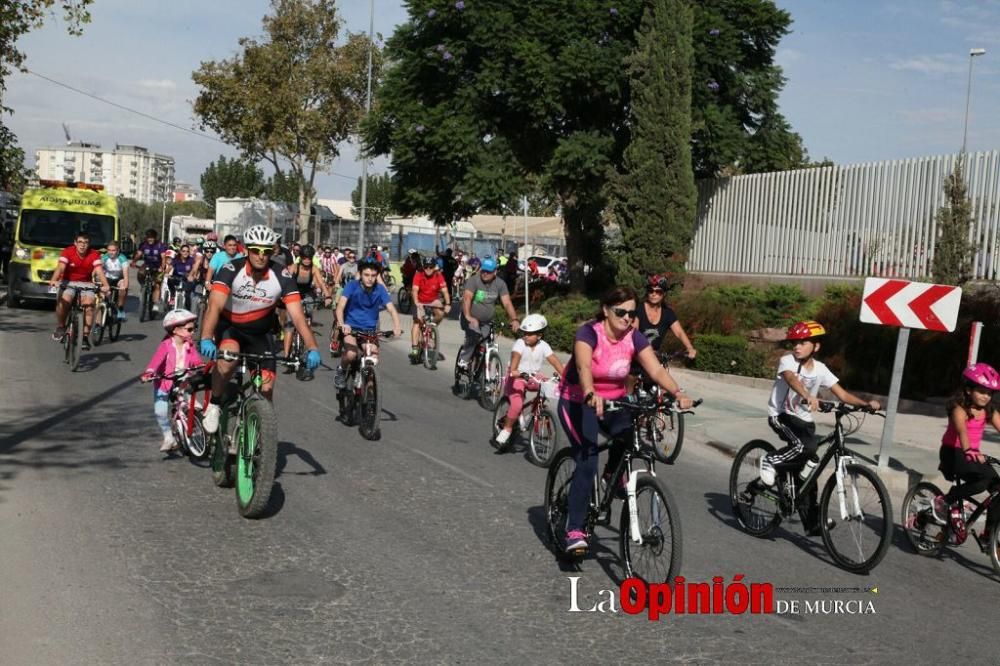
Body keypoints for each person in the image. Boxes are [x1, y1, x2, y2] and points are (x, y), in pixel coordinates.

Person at [558, 286, 696, 553]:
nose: (627, 318)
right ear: (606, 310)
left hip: (614, 400)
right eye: (621, 312)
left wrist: (677, 392)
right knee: (587, 461)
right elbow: (583, 367)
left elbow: (654, 368)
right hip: (578, 399)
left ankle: (612, 473)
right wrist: (589, 392)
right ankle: (574, 529)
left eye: (632, 314)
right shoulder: (589, 333)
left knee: (630, 435)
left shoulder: (634, 337)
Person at [758, 320, 880, 534]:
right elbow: (790, 379)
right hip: (782, 415)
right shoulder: (787, 361)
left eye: (803, 342)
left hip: (803, 421)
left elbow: (841, 394)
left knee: (810, 471)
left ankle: (812, 523)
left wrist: (865, 404)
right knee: (806, 448)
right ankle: (770, 460)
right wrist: (807, 395)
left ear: (816, 346)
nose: (797, 346)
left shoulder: (821, 370)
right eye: (795, 342)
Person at [198, 225, 322, 434]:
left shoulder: (281, 275)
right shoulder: (230, 270)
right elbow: (214, 306)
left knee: (266, 389)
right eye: (256, 250)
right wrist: (206, 337)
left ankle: (259, 439)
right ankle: (215, 404)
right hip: (231, 328)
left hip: (261, 334)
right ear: (246, 249)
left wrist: (312, 347)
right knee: (228, 361)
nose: (261, 256)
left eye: (267, 251)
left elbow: (298, 316)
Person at [932, 363, 1000, 545]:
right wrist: (969, 449)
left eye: (989, 393)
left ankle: (989, 536)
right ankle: (946, 500)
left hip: (972, 456)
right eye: (982, 391)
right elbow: (962, 430)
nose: (986, 397)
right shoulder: (959, 408)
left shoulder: (988, 411)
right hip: (953, 453)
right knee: (981, 482)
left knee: (998, 488)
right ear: (969, 390)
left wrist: (972, 453)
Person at [493, 314, 564, 447]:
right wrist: (516, 372)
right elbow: (515, 361)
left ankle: (536, 416)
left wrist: (565, 376)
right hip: (516, 377)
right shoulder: (519, 344)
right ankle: (507, 429)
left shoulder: (543, 346)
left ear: (539, 336)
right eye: (525, 333)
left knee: (546, 388)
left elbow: (554, 360)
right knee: (517, 404)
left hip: (533, 376)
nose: (526, 336)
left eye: (530, 334)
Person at [332, 260, 403, 389]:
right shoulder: (352, 286)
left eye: (373, 275)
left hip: (369, 331)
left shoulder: (380, 289)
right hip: (351, 328)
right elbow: (340, 307)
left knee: (374, 357)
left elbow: (391, 309)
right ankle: (341, 370)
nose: (370, 279)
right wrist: (343, 325)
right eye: (366, 275)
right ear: (360, 274)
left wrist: (397, 326)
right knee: (351, 354)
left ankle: (368, 391)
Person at [140, 309, 204, 452]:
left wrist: (200, 366)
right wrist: (149, 373)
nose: (193, 332)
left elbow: (195, 359)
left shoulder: (189, 344)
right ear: (176, 330)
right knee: (160, 412)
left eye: (194, 328)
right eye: (189, 329)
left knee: (193, 406)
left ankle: (197, 428)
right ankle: (168, 437)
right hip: (165, 381)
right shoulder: (166, 345)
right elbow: (156, 361)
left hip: (183, 380)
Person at [49, 232, 112, 349]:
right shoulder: (68, 251)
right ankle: (61, 326)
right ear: (75, 243)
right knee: (65, 300)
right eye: (80, 242)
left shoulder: (94, 254)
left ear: (89, 244)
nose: (83, 245)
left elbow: (99, 270)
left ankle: (84, 337)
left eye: (86, 242)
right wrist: (54, 280)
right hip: (68, 282)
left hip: (87, 284)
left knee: (89, 305)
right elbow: (61, 267)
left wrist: (106, 285)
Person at [457, 256, 520, 370]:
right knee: (474, 334)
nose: (485, 273)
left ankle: (480, 375)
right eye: (483, 270)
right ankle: (464, 359)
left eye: (489, 272)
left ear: (495, 272)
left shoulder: (500, 284)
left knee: (486, 345)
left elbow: (507, 303)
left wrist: (514, 319)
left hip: (486, 321)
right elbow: (467, 299)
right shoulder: (473, 280)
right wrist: (468, 316)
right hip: (469, 317)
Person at [282, 244, 334, 361]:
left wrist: (328, 296)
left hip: (307, 295)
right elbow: (285, 281)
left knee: (308, 320)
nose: (306, 260)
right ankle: (286, 355)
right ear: (300, 257)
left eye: (309, 258)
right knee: (290, 324)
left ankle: (309, 349)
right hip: (293, 294)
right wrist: (283, 295)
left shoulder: (314, 268)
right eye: (304, 257)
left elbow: (321, 282)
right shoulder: (294, 267)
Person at [408, 256, 450, 363]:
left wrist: (448, 304)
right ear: (423, 267)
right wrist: (417, 303)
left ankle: (431, 327)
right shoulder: (419, 274)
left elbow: (445, 291)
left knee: (440, 313)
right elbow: (414, 290)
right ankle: (415, 349)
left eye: (430, 267)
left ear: (434, 267)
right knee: (418, 322)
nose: (428, 269)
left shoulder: (438, 275)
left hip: (433, 300)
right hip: (420, 300)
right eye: (426, 267)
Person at [134, 229, 168, 315]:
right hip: (147, 265)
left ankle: (155, 304)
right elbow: (138, 254)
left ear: (155, 238)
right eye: (148, 237)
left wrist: (162, 267)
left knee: (157, 285)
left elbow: (163, 258)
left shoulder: (160, 245)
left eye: (152, 238)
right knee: (141, 272)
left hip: (158, 267)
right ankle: (143, 286)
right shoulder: (143, 245)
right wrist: (133, 262)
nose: (150, 239)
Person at [100, 240, 130, 319]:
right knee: (102, 298)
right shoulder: (104, 257)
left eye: (113, 250)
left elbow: (126, 275)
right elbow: (98, 270)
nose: (111, 252)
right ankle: (98, 324)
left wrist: (125, 288)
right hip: (108, 278)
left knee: (123, 287)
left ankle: (120, 308)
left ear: (118, 250)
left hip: (119, 279)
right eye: (109, 250)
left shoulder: (122, 258)